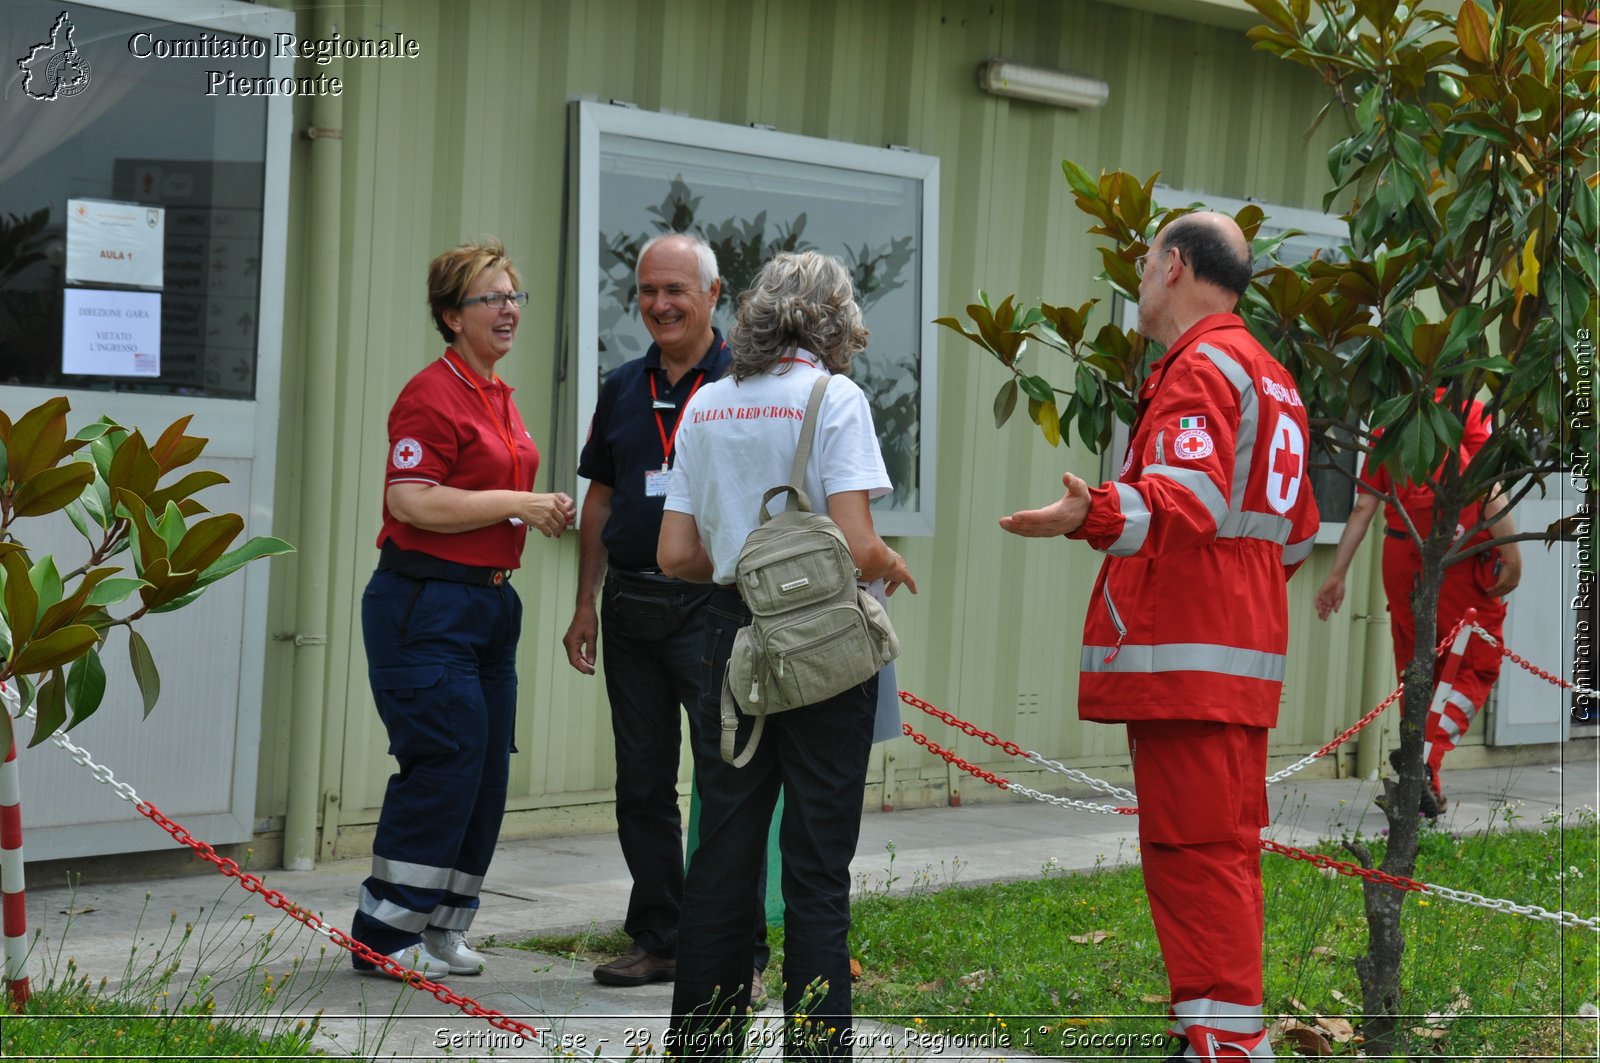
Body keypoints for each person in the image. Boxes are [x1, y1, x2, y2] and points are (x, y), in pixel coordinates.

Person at [1000, 212, 1319, 1061]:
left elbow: (1189, 498)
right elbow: (1295, 527)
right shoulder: (1271, 374)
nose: (1140, 280)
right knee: (1219, 850)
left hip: (1192, 656)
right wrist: (1237, 600)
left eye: (1144, 264)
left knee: (1193, 853)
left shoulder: (1202, 365)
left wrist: (1091, 511)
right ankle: (1220, 1035)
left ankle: (1221, 1045)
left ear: (1172, 267)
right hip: (1234, 653)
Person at [657, 250, 916, 1058]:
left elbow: (674, 555)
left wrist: (744, 562)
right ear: (835, 322)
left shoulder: (704, 404)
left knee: (722, 856)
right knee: (814, 863)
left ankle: (701, 1046)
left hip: (728, 640)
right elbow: (857, 542)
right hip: (823, 650)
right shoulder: (833, 397)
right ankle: (815, 1050)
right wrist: (891, 565)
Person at [351, 238, 575, 978]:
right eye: (492, 297)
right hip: (426, 602)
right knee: (444, 762)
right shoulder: (431, 392)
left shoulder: (497, 392)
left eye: (515, 295)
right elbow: (408, 499)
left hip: (487, 605)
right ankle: (383, 936)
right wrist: (520, 501)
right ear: (452, 315)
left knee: (482, 773)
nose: (509, 308)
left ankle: (442, 925)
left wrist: (539, 508)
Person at [562, 233, 770, 993]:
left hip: (715, 606)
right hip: (630, 607)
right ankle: (662, 936)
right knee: (641, 782)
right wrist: (584, 600)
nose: (660, 304)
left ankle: (737, 952)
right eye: (648, 290)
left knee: (726, 779)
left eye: (676, 290)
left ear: (716, 295)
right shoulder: (621, 386)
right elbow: (603, 498)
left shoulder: (748, 383)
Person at [1314, 396, 1521, 816]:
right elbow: (1486, 486)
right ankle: (1423, 761)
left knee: (1419, 671)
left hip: (1401, 553)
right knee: (1475, 666)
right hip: (1456, 552)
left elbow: (1363, 506)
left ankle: (1421, 784)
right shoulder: (1469, 412)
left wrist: (1337, 574)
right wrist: (1514, 555)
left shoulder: (1390, 418)